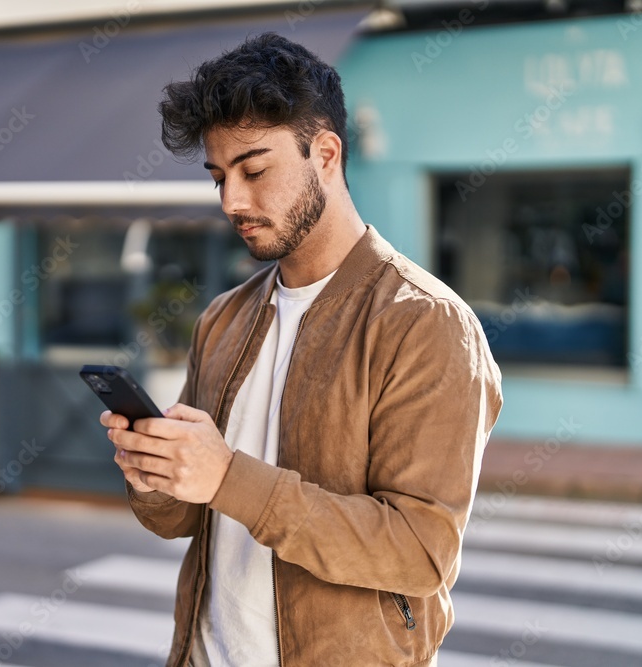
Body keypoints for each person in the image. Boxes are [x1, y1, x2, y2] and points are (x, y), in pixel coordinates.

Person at [101, 32, 503, 667]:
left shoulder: (425, 324)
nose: (232, 200)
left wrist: (230, 477)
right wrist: (155, 472)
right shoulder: (223, 319)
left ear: (326, 154)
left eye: (254, 170)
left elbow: (421, 552)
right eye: (219, 176)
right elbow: (181, 519)